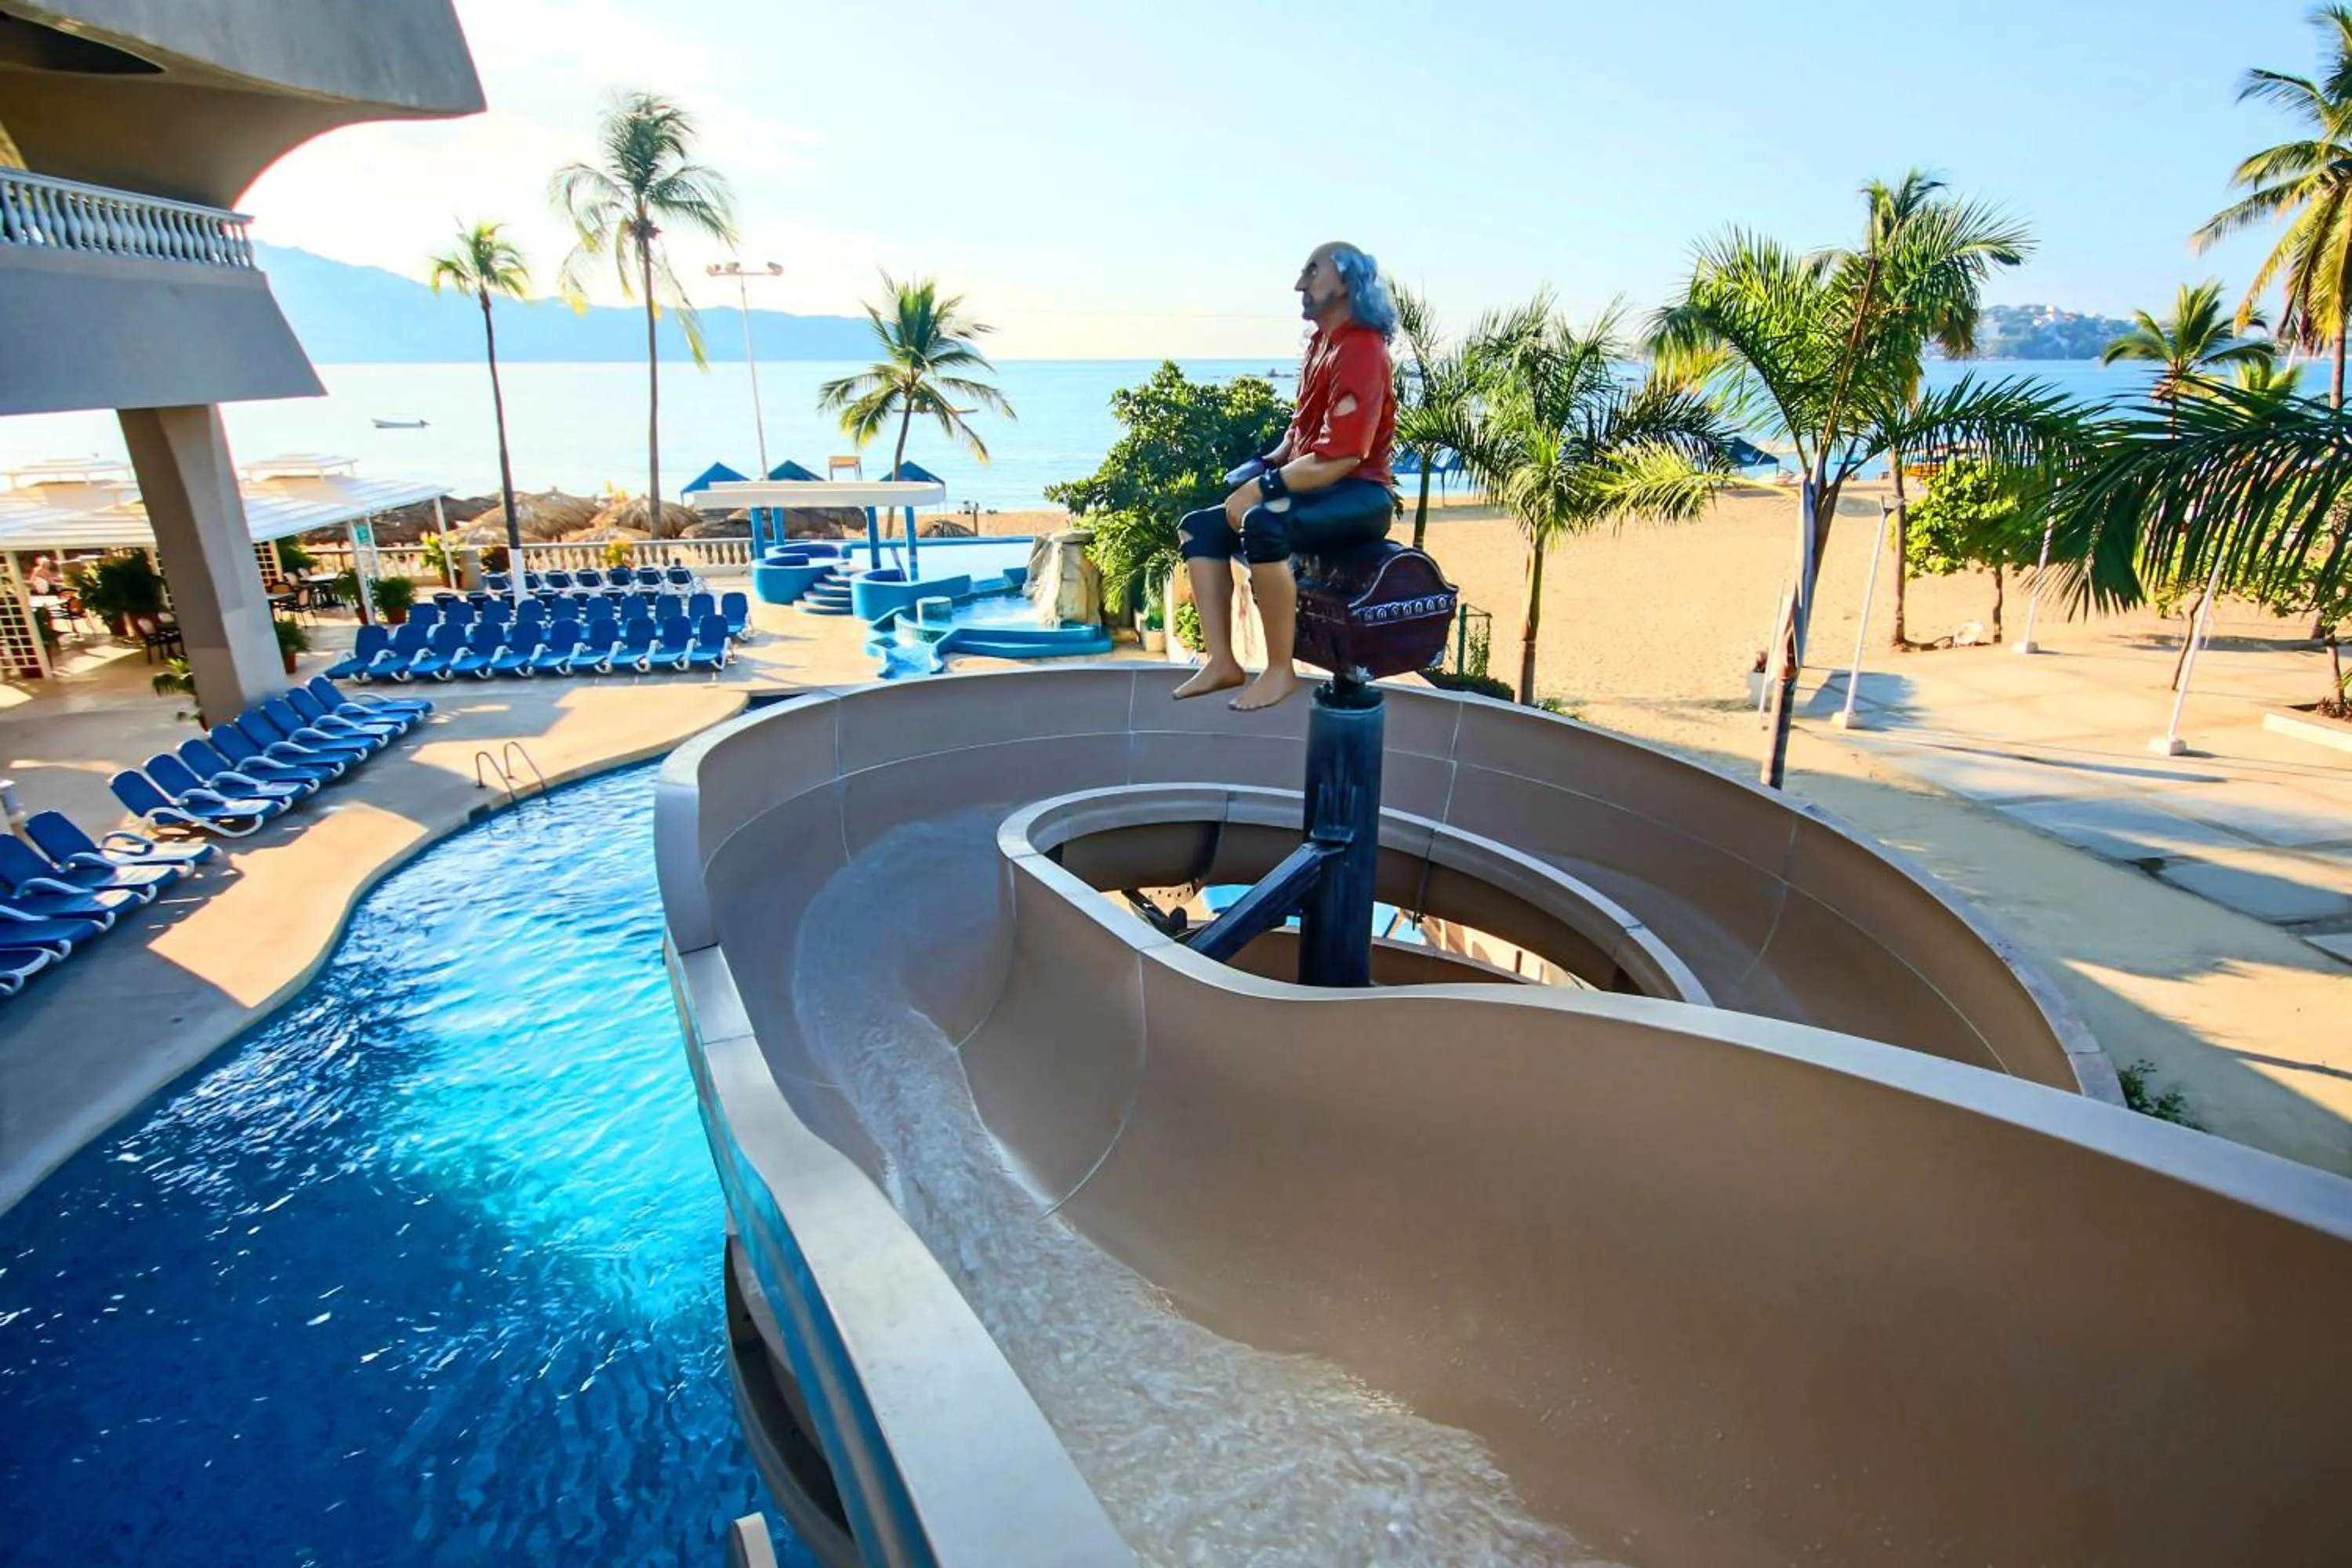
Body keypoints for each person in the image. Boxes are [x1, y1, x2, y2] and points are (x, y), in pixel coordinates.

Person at [1174, 241, 1398, 710]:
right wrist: (1266, 463)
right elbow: (1303, 432)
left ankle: (1280, 670)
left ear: (1346, 282)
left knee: (1264, 522)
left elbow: (1342, 454)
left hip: (1359, 494)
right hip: (1317, 487)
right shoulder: (1322, 345)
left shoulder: (1361, 349)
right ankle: (1222, 661)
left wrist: (1265, 487)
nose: (1301, 284)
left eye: (1312, 272)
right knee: (1201, 526)